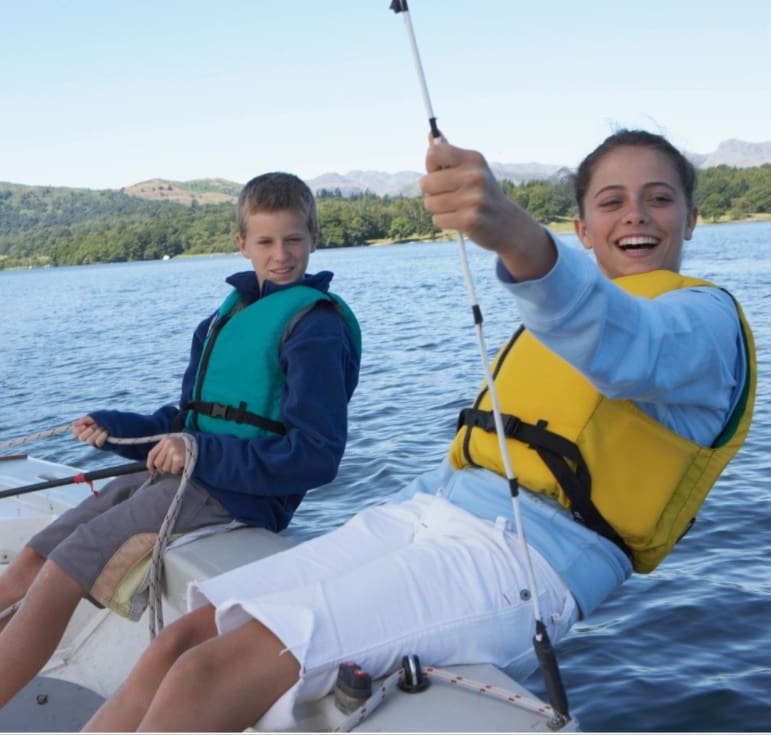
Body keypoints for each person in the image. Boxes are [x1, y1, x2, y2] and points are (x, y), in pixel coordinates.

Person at [77, 130, 756, 733]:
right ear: (581, 226)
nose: (633, 213)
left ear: (692, 218)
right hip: (431, 509)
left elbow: (627, 344)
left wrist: (515, 234)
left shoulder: (700, 323)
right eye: (609, 200)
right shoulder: (569, 307)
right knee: (181, 642)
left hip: (524, 559)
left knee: (211, 674)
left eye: (657, 198)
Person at [0, 172, 362, 733]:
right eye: (266, 242)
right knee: (34, 557)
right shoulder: (226, 316)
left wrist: (197, 452)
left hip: (236, 494)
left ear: (314, 238)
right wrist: (116, 430)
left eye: (293, 240)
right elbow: (186, 419)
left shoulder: (315, 329)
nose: (281, 255)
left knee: (59, 575)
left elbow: (315, 457)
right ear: (242, 244)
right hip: (187, 477)